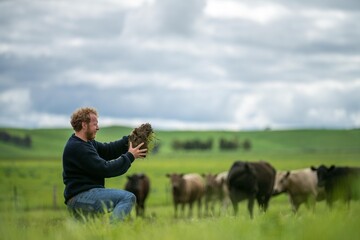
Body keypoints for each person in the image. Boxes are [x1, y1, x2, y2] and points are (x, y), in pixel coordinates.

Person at [62, 107, 147, 222]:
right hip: (82, 198)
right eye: (95, 124)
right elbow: (106, 169)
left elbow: (108, 150)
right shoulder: (78, 147)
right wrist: (130, 156)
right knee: (127, 197)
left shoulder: (87, 143)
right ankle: (113, 231)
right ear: (84, 125)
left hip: (80, 198)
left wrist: (129, 139)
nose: (98, 127)